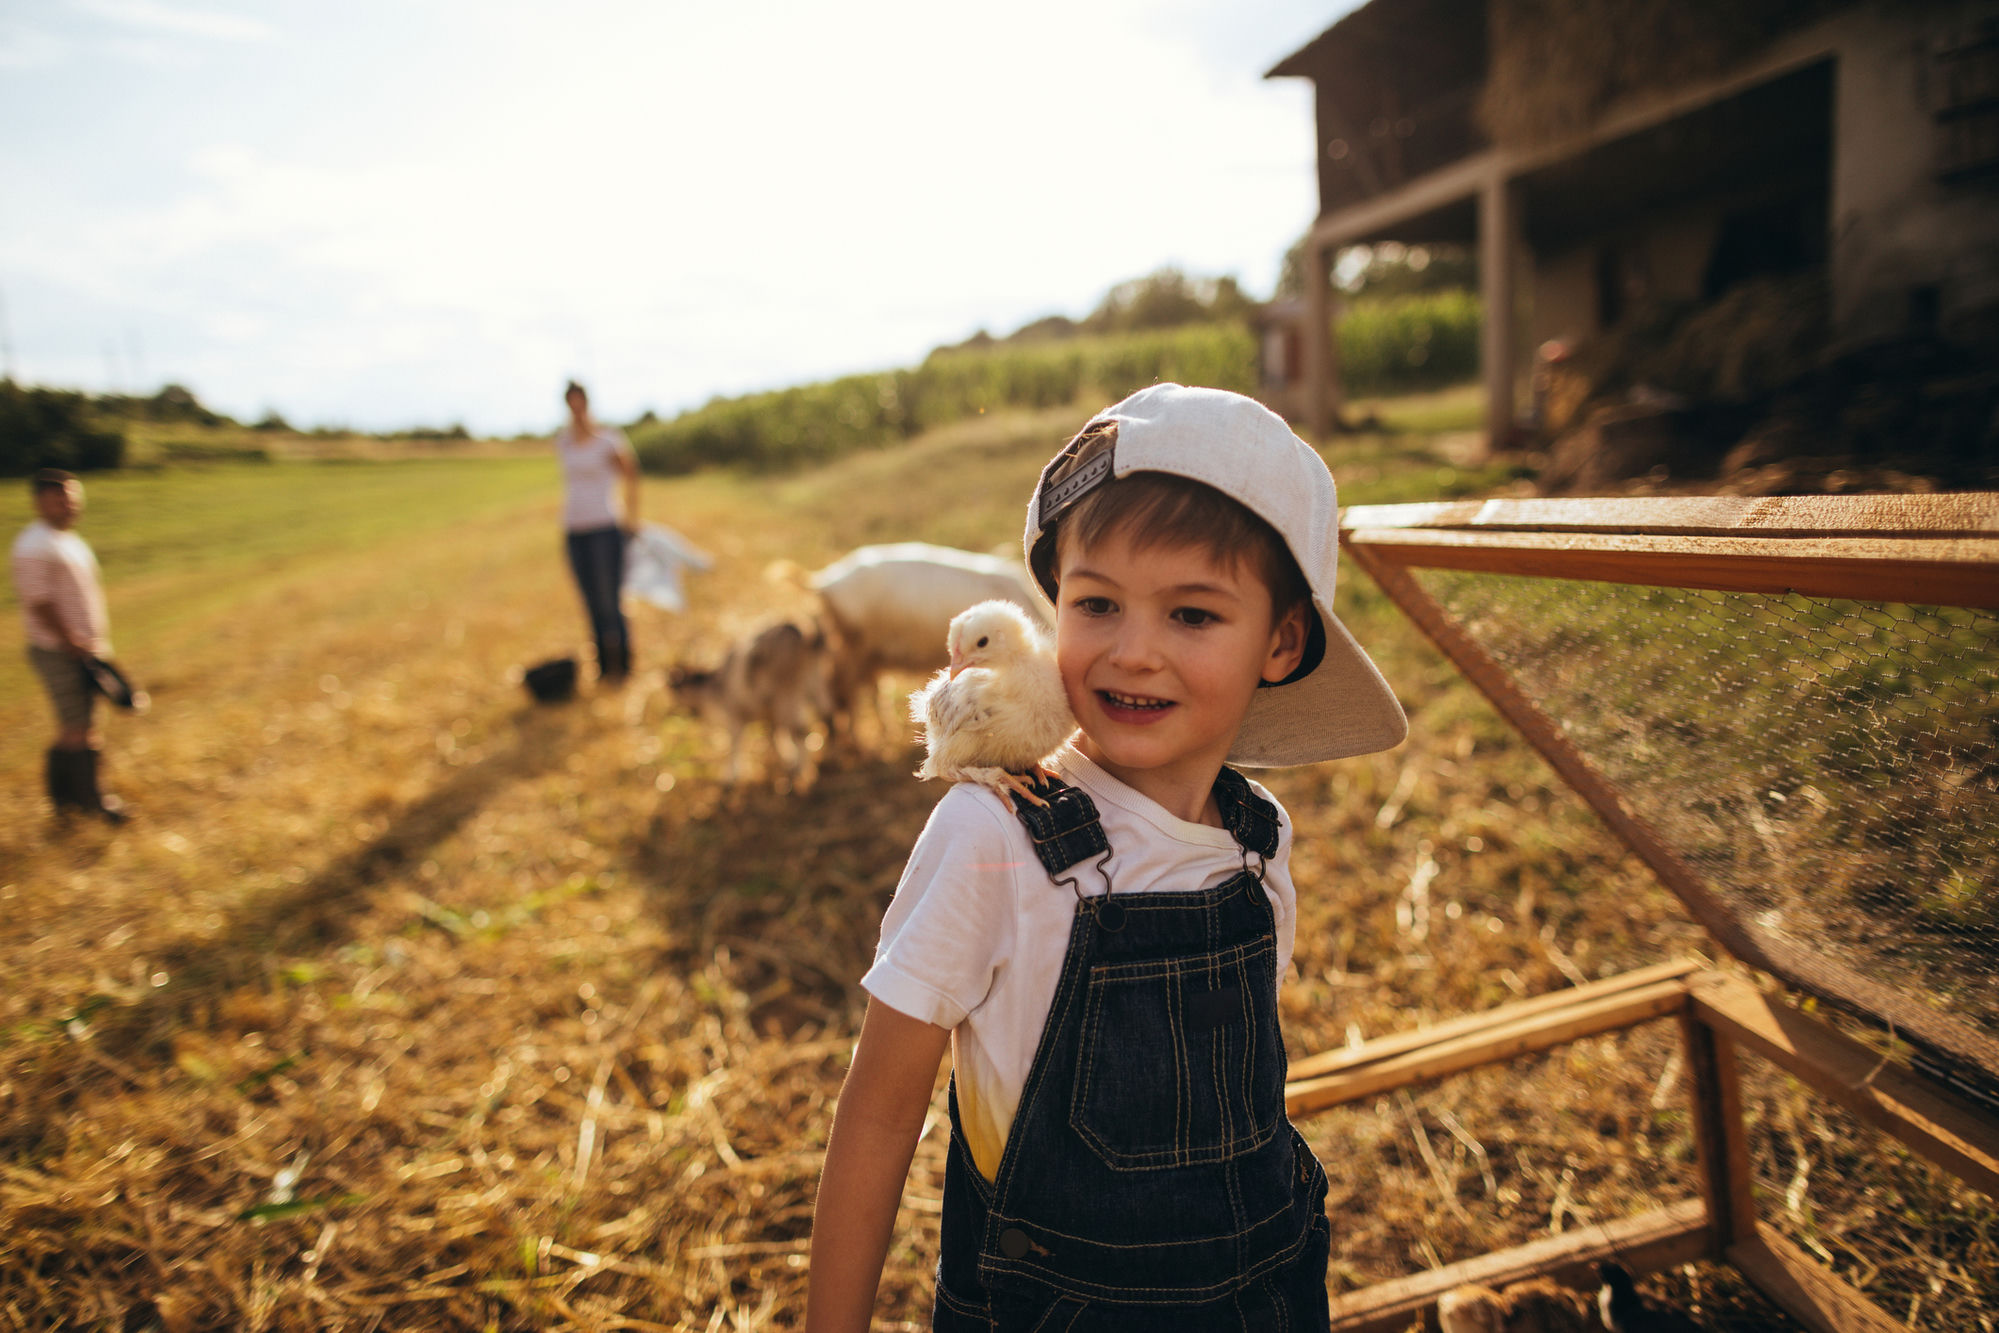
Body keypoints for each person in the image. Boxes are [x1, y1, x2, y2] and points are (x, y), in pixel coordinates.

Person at [806, 384, 1409, 1331]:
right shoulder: (993, 836)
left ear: (1281, 641)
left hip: (1264, 1293)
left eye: (1193, 615)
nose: (1132, 652)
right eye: (1097, 603)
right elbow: (880, 1114)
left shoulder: (1260, 843)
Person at [12, 468, 127, 823]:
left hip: (81, 647)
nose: (70, 505)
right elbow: (40, 602)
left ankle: (67, 803)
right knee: (78, 728)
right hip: (60, 650)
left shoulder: (66, 540)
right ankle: (89, 801)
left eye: (74, 497)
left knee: (79, 726)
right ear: (40, 501)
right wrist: (71, 642)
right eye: (60, 497)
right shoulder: (35, 546)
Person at [555, 380, 641, 681]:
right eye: (571, 403)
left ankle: (624, 666)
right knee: (589, 601)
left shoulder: (607, 440)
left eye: (580, 402)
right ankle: (603, 668)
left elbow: (632, 475)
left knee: (609, 600)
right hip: (573, 530)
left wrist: (633, 518)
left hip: (604, 528)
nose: (576, 409)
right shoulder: (563, 442)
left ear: (587, 403)